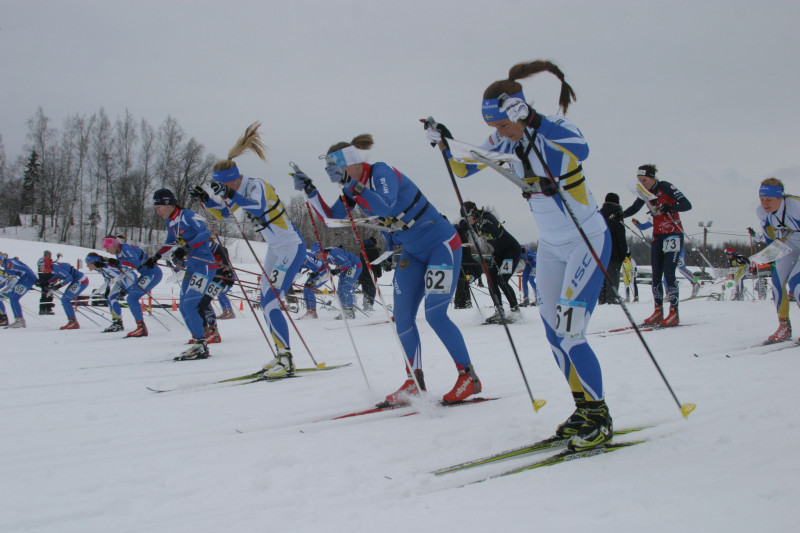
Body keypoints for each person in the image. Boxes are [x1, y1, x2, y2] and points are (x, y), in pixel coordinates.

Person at [426, 59, 612, 450]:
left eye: (502, 124)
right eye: (494, 127)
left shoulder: (554, 131)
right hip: (551, 246)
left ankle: (600, 416)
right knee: (552, 332)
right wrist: (445, 143)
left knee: (572, 331)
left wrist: (535, 119)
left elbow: (583, 148)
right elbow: (465, 169)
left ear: (519, 110)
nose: (499, 133)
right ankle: (582, 409)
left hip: (586, 241)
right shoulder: (504, 142)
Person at [294, 133, 482, 404]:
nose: (335, 176)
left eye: (338, 170)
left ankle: (469, 377)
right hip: (413, 252)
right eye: (331, 172)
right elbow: (332, 218)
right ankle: (414, 382)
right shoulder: (352, 187)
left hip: (440, 245)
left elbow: (387, 205)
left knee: (435, 315)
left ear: (354, 164)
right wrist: (310, 191)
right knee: (402, 317)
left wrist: (350, 184)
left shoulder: (381, 171)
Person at [190, 122, 305, 376]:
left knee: (272, 303)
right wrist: (206, 199)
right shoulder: (234, 191)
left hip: (291, 248)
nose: (224, 193)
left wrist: (229, 196)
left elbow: (256, 205)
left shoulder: (255, 185)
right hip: (275, 249)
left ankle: (286, 360)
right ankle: (280, 355)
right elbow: (222, 215)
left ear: (231, 180)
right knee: (265, 301)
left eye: (223, 187)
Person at [148, 188, 215, 360]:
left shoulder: (187, 215)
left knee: (190, 304)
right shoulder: (170, 222)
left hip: (204, 264)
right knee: (184, 305)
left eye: (158, 207)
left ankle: (201, 344)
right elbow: (170, 242)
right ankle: (198, 342)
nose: (157, 211)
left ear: (168, 204)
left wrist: (187, 247)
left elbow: (204, 233)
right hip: (191, 265)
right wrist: (155, 256)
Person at [623, 164, 692, 326]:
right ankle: (658, 310)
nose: (642, 183)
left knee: (669, 273)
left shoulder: (665, 187)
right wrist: (620, 214)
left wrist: (672, 207)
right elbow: (635, 207)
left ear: (653, 178)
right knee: (656, 274)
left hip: (673, 233)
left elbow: (687, 204)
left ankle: (674, 312)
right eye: (639, 180)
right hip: (658, 235)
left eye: (645, 180)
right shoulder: (644, 192)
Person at [755, 177, 800, 344]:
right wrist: (771, 254)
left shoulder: (795, 207)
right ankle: (784, 326)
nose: (765, 204)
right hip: (790, 246)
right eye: (762, 199)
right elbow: (768, 236)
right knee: (777, 281)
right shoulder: (762, 212)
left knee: (796, 283)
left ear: (780, 197)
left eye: (769, 200)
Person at [462, 201, 522, 324]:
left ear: (473, 213)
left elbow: (494, 231)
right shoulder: (476, 223)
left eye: (468, 217)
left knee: (502, 280)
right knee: (491, 279)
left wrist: (479, 226)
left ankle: (515, 311)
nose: (468, 220)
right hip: (499, 252)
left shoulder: (487, 217)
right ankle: (499, 311)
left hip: (511, 251)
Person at [101, 235, 163, 337]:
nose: (107, 251)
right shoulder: (119, 252)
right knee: (131, 297)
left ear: (114, 244)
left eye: (108, 248)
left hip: (153, 274)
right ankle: (140, 327)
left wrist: (118, 262)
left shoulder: (125, 248)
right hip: (145, 274)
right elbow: (126, 269)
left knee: (132, 298)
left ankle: (141, 328)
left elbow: (135, 263)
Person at [314, 243, 361, 319]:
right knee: (339, 288)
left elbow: (348, 262)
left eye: (317, 254)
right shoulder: (323, 257)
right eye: (315, 255)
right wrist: (316, 273)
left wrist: (337, 270)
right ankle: (344, 310)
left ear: (321, 251)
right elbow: (323, 268)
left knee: (346, 287)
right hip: (344, 267)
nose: (316, 257)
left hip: (354, 265)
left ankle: (349, 311)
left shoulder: (333, 253)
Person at [599, 193, 629, 305]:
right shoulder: (617, 215)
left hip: (600, 253)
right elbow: (620, 236)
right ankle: (611, 300)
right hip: (614, 253)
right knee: (613, 278)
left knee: (602, 279)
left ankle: (602, 301)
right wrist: (623, 254)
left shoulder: (599, 214)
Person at [85, 252, 127, 332]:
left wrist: (124, 289)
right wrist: (107, 289)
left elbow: (123, 275)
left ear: (92, 263)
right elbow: (107, 277)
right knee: (109, 298)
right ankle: (117, 322)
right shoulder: (99, 268)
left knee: (112, 298)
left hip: (127, 280)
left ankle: (118, 323)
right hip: (120, 281)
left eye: (88, 263)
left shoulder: (107, 267)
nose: (87, 266)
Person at [48, 260, 90, 330]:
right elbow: (57, 275)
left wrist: (57, 286)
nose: (41, 269)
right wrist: (47, 283)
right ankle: (72, 322)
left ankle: (73, 322)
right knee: (65, 299)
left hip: (81, 281)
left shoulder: (55, 267)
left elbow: (69, 278)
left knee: (65, 299)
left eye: (41, 267)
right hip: (77, 280)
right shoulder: (53, 267)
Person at [0, 253, 37, 328]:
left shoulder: (8, 263)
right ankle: (17, 320)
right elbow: (19, 272)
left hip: (26, 279)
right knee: (12, 298)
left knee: (14, 298)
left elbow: (25, 268)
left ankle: (19, 320)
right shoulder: (6, 265)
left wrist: (35, 280)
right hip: (22, 280)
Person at [298, 244, 329, 319]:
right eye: (316, 254)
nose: (318, 255)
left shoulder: (304, 257)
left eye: (318, 253)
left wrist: (315, 275)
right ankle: (310, 311)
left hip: (324, 273)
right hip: (317, 273)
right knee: (306, 288)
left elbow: (318, 269)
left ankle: (312, 312)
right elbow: (297, 271)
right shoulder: (298, 258)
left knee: (308, 288)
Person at [358, 237, 382, 311]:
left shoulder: (362, 251)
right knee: (372, 290)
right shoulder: (374, 251)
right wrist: (379, 273)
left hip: (362, 273)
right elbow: (377, 263)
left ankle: (366, 304)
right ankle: (370, 305)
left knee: (365, 289)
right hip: (371, 273)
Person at [37, 250, 56, 315]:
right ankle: (42, 309)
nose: (50, 256)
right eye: (49, 254)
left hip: (50, 279)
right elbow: (42, 270)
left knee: (50, 295)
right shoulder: (42, 260)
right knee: (44, 294)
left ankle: (48, 309)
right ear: (46, 254)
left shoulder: (49, 260)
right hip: (44, 279)